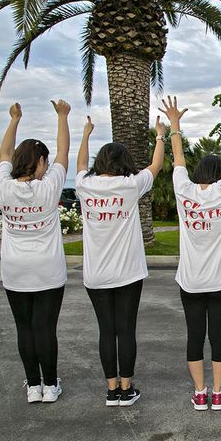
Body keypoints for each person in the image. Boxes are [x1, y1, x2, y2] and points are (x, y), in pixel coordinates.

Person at [160, 96, 221, 411]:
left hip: (190, 280)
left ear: (199, 172)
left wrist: (175, 124)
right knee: (218, 336)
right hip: (219, 281)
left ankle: (199, 393)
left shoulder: (183, 189)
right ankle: (218, 393)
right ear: (219, 174)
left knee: (194, 336)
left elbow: (177, 159)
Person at [75, 113, 166, 407]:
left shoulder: (84, 185)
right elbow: (156, 165)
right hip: (127, 273)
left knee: (106, 331)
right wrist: (161, 135)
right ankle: (126, 389)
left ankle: (111, 389)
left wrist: (86, 134)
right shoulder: (130, 185)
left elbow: (79, 165)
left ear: (100, 162)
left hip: (96, 275)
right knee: (126, 329)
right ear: (125, 162)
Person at [0, 100, 71, 403]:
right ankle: (50, 386)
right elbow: (64, 152)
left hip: (15, 269)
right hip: (48, 269)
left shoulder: (3, 186)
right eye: (46, 160)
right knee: (45, 328)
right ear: (40, 161)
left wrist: (14, 119)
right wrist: (63, 117)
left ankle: (33, 386)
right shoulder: (48, 187)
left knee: (24, 327)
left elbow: (3, 153)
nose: (48, 164)